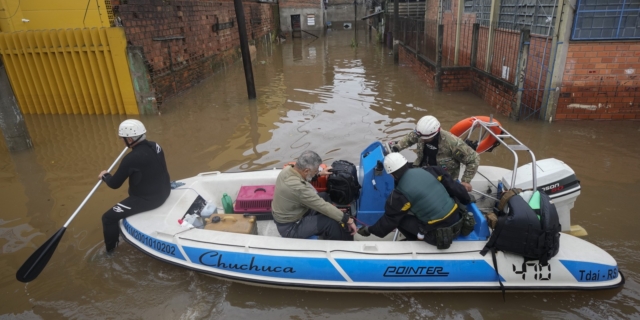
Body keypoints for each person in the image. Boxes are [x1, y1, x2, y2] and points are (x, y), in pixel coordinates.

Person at [357, 153, 470, 248]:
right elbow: (455, 188)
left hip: (437, 235)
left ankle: (416, 243)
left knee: (399, 219)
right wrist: (467, 200)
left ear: (391, 174)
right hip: (458, 219)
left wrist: (370, 230)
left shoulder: (399, 195)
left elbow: (389, 221)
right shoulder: (432, 170)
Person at [98, 119, 171, 253]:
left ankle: (110, 252)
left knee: (107, 218)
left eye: (123, 139)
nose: (122, 141)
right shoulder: (156, 146)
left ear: (130, 139)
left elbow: (114, 184)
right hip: (166, 190)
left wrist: (105, 176)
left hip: (150, 200)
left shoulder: (131, 158)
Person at [272, 150, 357, 240]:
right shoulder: (299, 188)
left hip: (296, 211)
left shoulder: (288, 170)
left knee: (324, 196)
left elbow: (302, 178)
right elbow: (321, 205)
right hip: (291, 227)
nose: (316, 172)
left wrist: (319, 174)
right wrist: (348, 219)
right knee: (330, 222)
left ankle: (330, 229)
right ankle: (344, 245)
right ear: (306, 170)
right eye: (316, 171)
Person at [388, 115, 479, 191]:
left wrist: (466, 181)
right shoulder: (421, 134)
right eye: (421, 137)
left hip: (442, 180)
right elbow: (410, 138)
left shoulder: (453, 143)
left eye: (425, 138)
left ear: (435, 134)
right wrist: (396, 148)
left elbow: (474, 159)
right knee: (398, 173)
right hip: (422, 169)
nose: (422, 140)